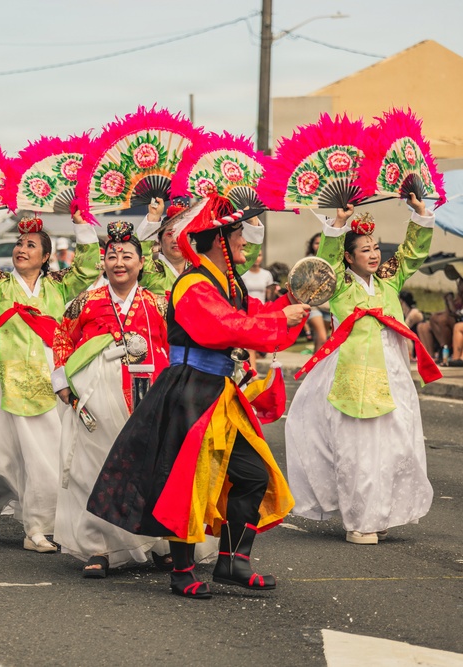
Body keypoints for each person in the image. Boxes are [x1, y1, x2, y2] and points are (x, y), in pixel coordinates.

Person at [87, 196, 308, 599]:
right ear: (219, 240)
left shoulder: (228, 284)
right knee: (186, 483)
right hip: (190, 389)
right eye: (238, 233)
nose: (245, 241)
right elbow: (228, 328)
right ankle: (182, 571)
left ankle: (232, 561)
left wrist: (288, 305)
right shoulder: (192, 284)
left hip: (218, 390)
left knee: (254, 475)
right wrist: (279, 318)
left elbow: (252, 320)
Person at [285, 196, 439, 545]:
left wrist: (418, 210)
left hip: (393, 375)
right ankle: (360, 521)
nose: (373, 254)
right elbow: (324, 262)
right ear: (349, 257)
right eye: (364, 250)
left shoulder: (389, 281)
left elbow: (413, 252)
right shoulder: (340, 285)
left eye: (375, 248)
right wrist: (339, 223)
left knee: (396, 447)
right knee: (358, 451)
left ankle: (381, 511)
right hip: (352, 377)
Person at [0, 209, 100, 553]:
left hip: (47, 379)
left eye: (31, 245)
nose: (21, 249)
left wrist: (81, 224)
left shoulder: (58, 286)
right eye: (19, 243)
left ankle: (37, 527)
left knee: (44, 455)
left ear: (46, 256)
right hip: (1, 377)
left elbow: (88, 266)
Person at [51, 221, 171, 576]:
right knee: (94, 468)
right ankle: (98, 547)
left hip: (147, 394)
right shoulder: (86, 301)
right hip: (97, 396)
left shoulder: (158, 304)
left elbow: (176, 344)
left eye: (127, 256)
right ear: (102, 262)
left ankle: (160, 542)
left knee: (150, 468)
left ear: (141, 263)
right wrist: (62, 383)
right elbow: (62, 338)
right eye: (112, 255)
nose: (119, 262)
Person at [138, 198, 263, 296]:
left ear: (191, 239)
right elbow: (137, 256)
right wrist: (153, 218)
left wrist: (252, 222)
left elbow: (240, 256)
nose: (176, 240)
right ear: (159, 240)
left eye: (182, 233)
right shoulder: (150, 273)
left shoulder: (205, 269)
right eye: (170, 234)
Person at [304, 233, 331, 352]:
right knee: (322, 337)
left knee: (321, 341)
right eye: (316, 243)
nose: (319, 245)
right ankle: (316, 369)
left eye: (322, 243)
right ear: (312, 245)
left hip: (327, 306)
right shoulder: (307, 263)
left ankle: (314, 368)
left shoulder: (331, 262)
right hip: (313, 306)